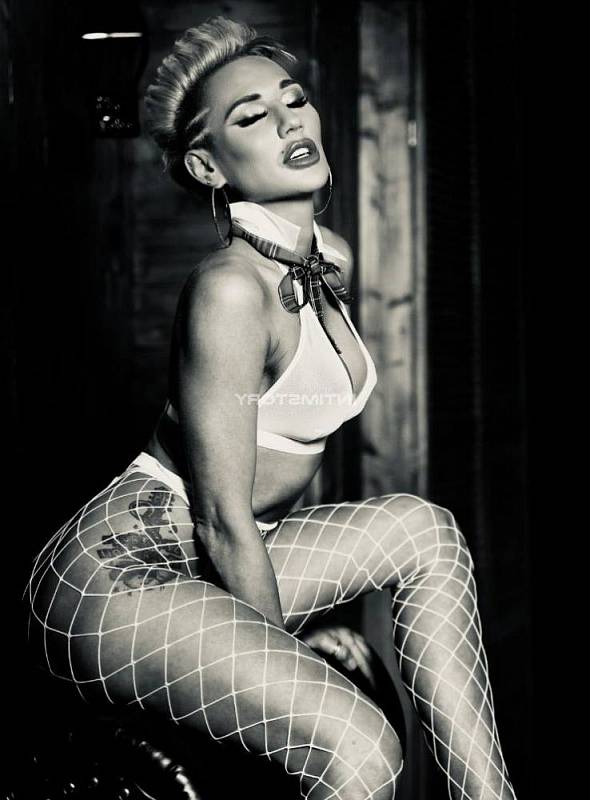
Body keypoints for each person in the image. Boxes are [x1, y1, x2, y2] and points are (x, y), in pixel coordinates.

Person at [25, 16, 518, 800]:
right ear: (206, 165)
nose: (290, 121)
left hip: (214, 556)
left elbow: (276, 471)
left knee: (426, 531)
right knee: (363, 748)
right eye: (252, 116)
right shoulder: (228, 291)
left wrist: (296, 620)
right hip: (116, 576)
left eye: (294, 100)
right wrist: (287, 649)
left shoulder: (329, 257)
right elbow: (223, 518)